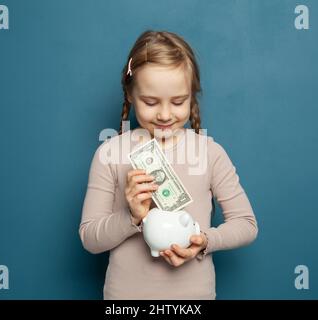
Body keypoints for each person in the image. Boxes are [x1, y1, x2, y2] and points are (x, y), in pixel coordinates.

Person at [79, 30, 258, 299]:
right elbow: (90, 239)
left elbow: (246, 224)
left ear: (192, 96)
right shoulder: (110, 154)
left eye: (178, 102)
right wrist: (132, 216)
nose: (164, 114)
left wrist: (204, 241)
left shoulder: (210, 152)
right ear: (130, 93)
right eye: (150, 102)